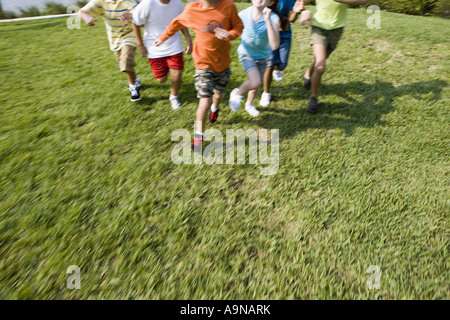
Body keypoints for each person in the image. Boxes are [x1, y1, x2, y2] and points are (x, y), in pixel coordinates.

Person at [154, 0, 243, 151]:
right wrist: (162, 38)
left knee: (218, 95)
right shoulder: (192, 10)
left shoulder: (228, 6)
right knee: (204, 100)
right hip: (203, 63)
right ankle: (198, 138)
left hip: (222, 63)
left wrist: (229, 34)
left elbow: (239, 26)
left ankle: (215, 109)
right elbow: (176, 23)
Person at [302, 0, 368, 113]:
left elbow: (363, 1)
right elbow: (300, 2)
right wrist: (304, 11)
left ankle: (308, 74)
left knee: (320, 59)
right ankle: (313, 97)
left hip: (336, 30)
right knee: (320, 67)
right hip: (318, 28)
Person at [131, 0, 193, 110]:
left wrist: (188, 39)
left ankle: (173, 96)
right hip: (154, 46)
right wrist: (140, 45)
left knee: (177, 75)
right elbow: (135, 23)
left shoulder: (177, 3)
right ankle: (169, 69)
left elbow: (181, 22)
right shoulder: (147, 4)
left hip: (174, 43)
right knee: (161, 79)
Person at [78, 0, 142, 102]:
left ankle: (133, 87)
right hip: (114, 39)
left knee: (125, 61)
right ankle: (135, 80)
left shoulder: (128, 1)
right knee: (125, 64)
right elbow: (81, 12)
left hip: (129, 34)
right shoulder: (100, 1)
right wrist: (87, 17)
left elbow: (141, 17)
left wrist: (130, 15)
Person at [228, 0, 280, 117]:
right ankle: (237, 93)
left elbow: (274, 45)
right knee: (255, 81)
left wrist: (267, 20)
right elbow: (232, 29)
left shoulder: (274, 18)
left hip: (263, 56)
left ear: (270, 2)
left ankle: (249, 105)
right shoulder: (243, 14)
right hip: (246, 54)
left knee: (256, 85)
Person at [260, 0, 310, 107]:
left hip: (285, 34)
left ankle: (277, 69)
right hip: (269, 33)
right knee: (270, 64)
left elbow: (291, 19)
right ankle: (266, 93)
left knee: (282, 65)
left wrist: (296, 11)